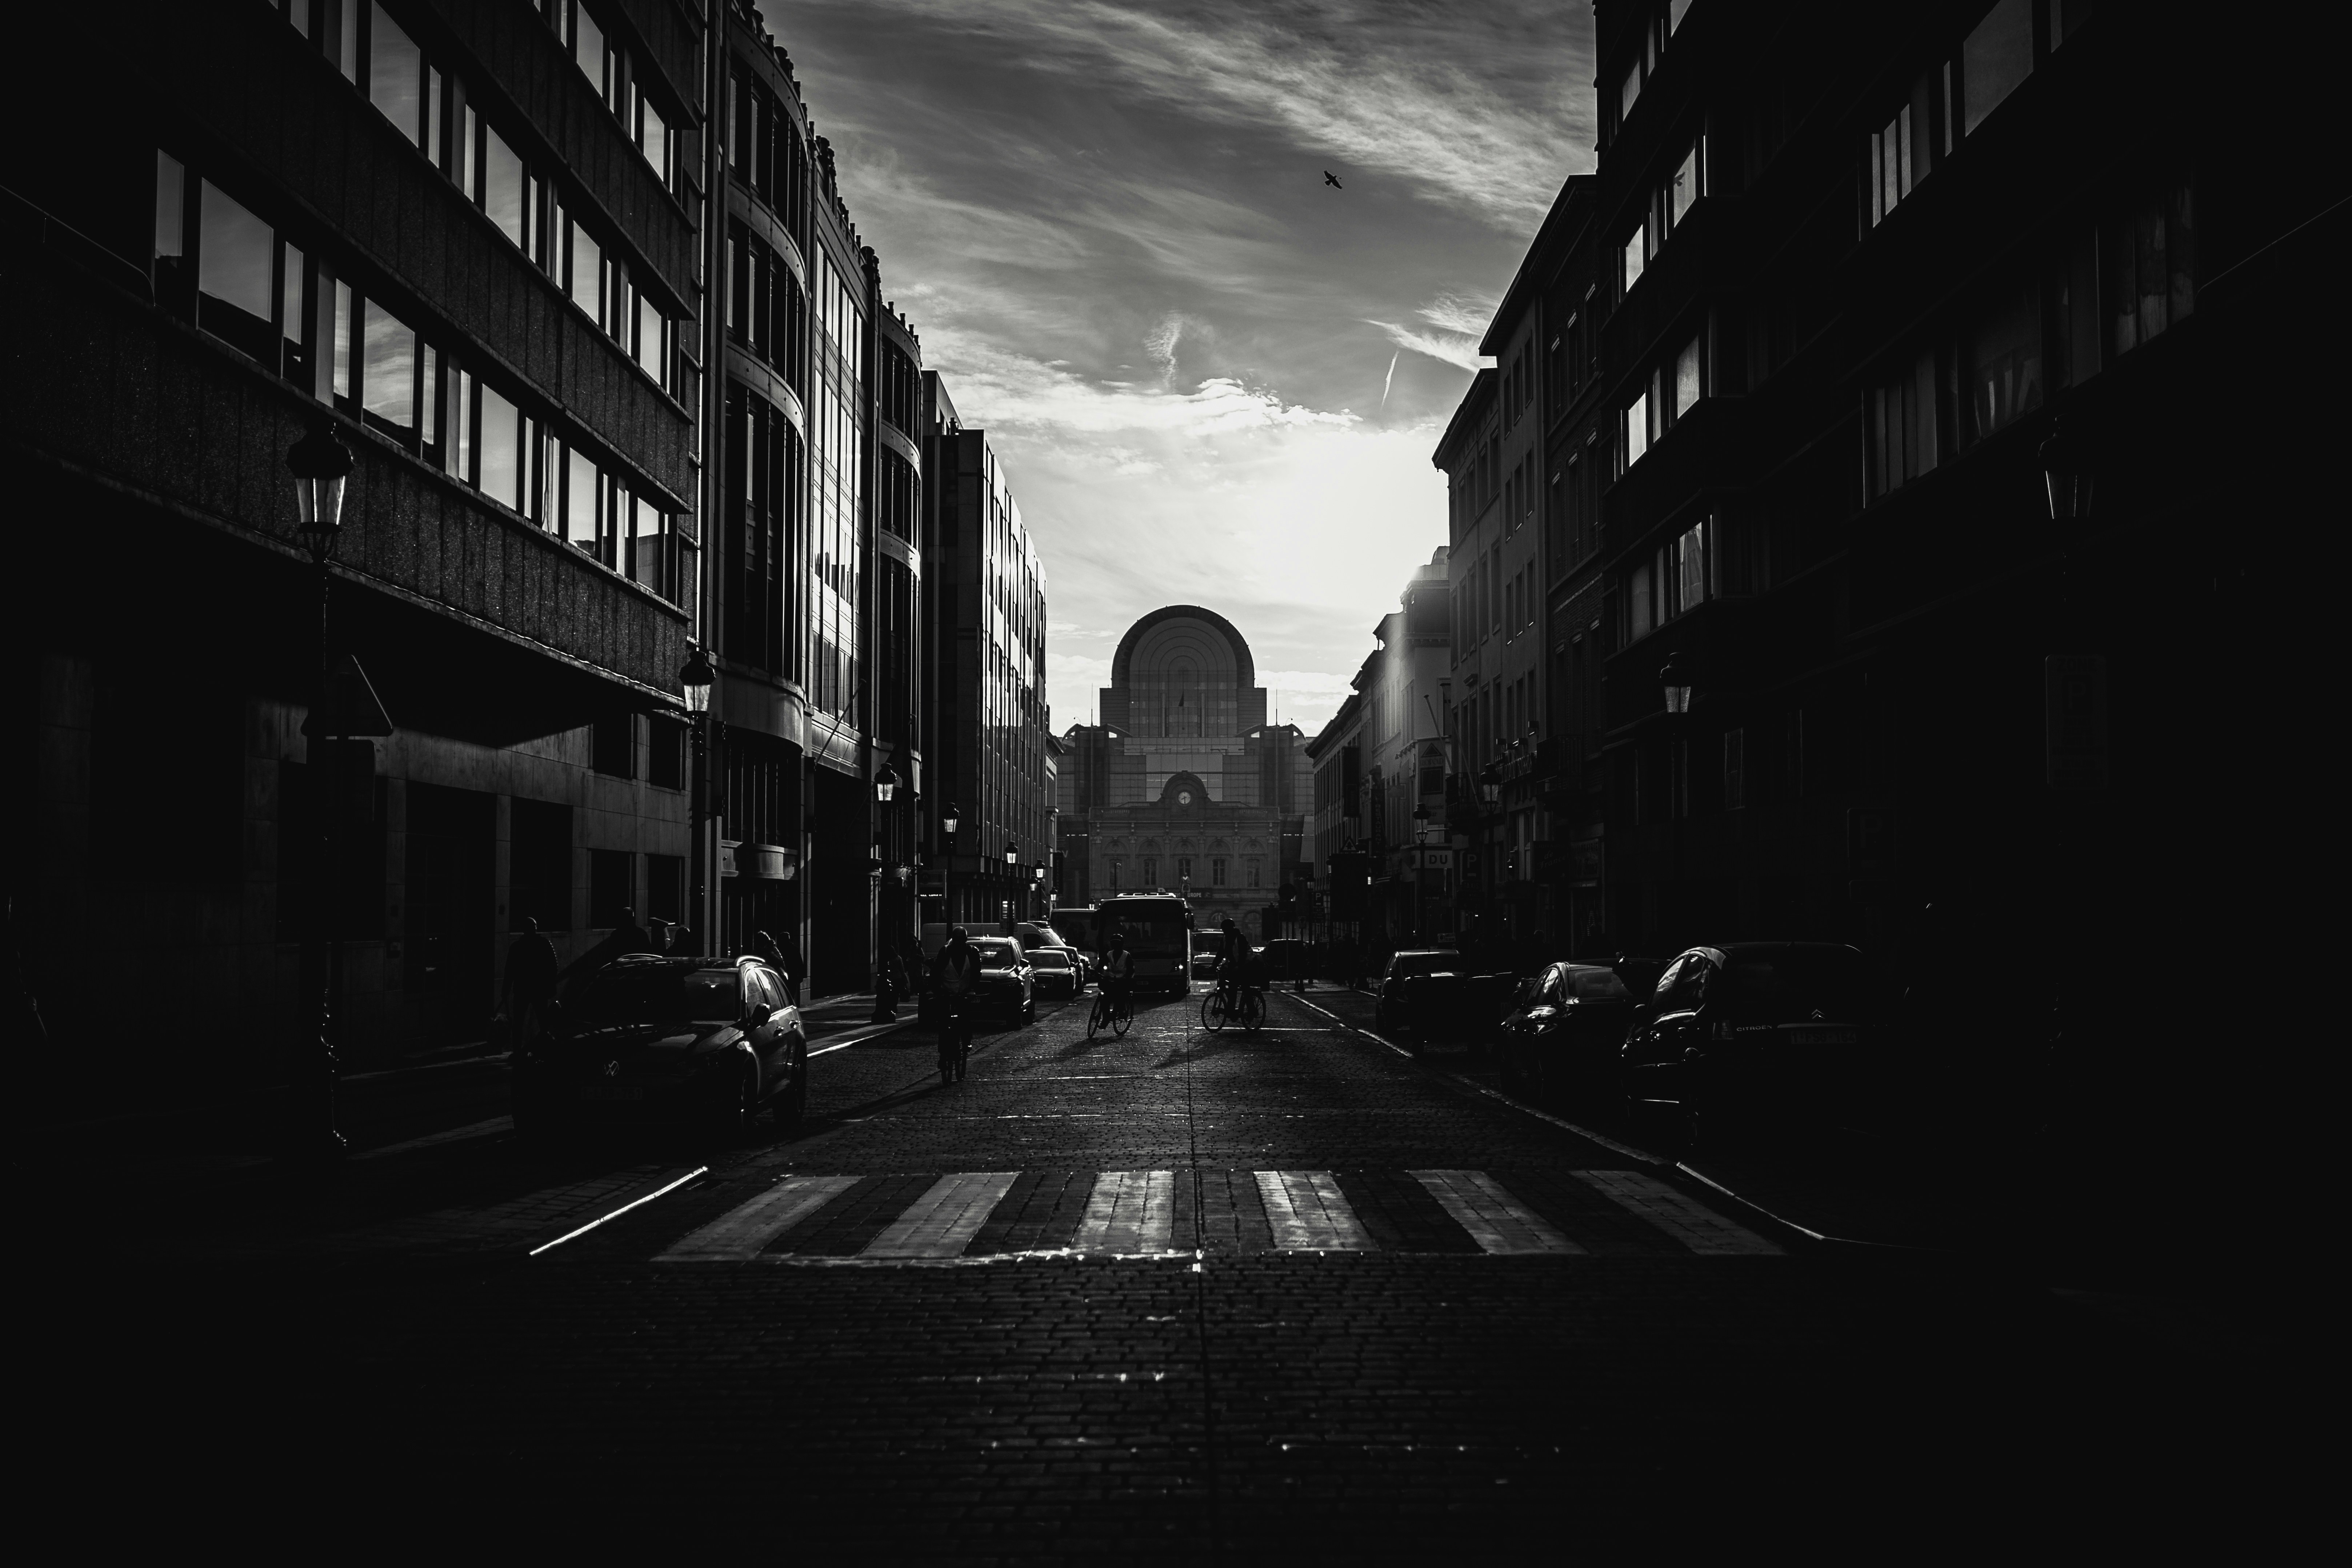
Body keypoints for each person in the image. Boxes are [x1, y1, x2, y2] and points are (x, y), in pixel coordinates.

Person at [502, 916, 560, 1052]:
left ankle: (517, 1051)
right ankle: (544, 1049)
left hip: (523, 989)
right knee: (542, 1022)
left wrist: (506, 989)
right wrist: (549, 985)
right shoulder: (544, 944)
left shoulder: (517, 947)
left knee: (519, 1022)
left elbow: (509, 971)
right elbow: (553, 967)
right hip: (539, 990)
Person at [929, 926, 983, 1073]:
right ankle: (943, 1054)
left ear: (966, 940)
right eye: (957, 939)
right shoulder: (945, 952)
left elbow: (977, 973)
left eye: (962, 939)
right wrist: (936, 990)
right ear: (953, 940)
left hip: (964, 991)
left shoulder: (972, 952)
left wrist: (972, 989)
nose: (959, 943)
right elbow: (936, 972)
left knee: (965, 1019)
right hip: (946, 991)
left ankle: (966, 1043)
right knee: (943, 1024)